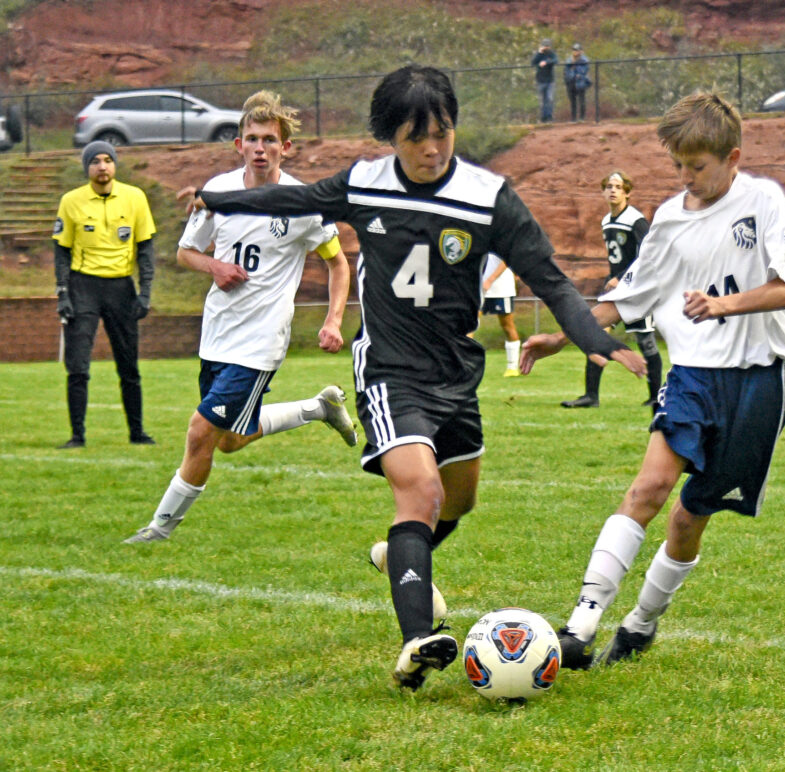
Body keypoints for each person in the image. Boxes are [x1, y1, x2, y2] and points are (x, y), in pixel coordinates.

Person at [186, 65, 645, 691]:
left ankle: (402, 554)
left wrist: (596, 340)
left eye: (444, 133)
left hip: (455, 371)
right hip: (389, 368)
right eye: (415, 137)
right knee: (421, 492)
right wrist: (219, 199)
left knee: (458, 501)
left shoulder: (489, 196)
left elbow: (551, 279)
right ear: (390, 137)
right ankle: (415, 642)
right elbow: (294, 199)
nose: (432, 149)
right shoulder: (365, 185)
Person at [521, 91, 785, 669]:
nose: (685, 177)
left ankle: (641, 624)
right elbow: (631, 295)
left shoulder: (764, 201)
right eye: (677, 164)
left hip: (759, 384)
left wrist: (723, 305)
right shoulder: (671, 218)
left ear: (732, 157)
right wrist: (563, 336)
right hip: (693, 376)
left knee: (688, 515)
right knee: (649, 489)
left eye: (696, 166)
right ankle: (579, 627)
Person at [123, 91, 357, 544]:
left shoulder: (301, 202)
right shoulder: (220, 191)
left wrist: (332, 320)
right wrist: (217, 266)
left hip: (262, 341)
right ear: (238, 145)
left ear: (285, 148)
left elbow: (338, 262)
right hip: (217, 333)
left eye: (270, 139)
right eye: (252, 138)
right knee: (228, 440)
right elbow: (186, 252)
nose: (260, 147)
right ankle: (317, 408)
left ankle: (159, 529)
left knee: (200, 431)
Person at [53, 140, 157, 449]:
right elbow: (61, 251)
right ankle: (77, 436)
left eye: (108, 160)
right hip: (82, 286)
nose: (102, 166)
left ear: (115, 165)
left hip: (121, 287)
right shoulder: (71, 201)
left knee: (129, 365)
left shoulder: (135, 198)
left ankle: (137, 433)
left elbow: (145, 249)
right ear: (87, 168)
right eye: (95, 161)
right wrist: (62, 294)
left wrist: (145, 293)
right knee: (78, 366)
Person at [562, 171, 662, 411]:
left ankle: (656, 396)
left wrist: (621, 277)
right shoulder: (606, 220)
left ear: (628, 191)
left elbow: (647, 254)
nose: (613, 190)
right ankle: (590, 395)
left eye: (618, 186)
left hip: (635, 287)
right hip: (614, 286)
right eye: (608, 186)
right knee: (593, 334)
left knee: (646, 341)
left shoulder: (636, 220)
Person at [478, 253, 522, 377]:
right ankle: (463, 365)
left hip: (501, 286)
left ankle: (512, 367)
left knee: (507, 325)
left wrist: (490, 279)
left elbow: (507, 259)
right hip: (479, 286)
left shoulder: (501, 236)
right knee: (471, 323)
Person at [564, 43, 592, 122]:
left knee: (581, 100)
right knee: (572, 101)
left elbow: (584, 70)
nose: (576, 52)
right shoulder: (569, 60)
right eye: (574, 50)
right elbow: (567, 71)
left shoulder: (584, 60)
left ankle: (582, 118)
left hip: (580, 82)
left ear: (581, 51)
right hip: (571, 82)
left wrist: (575, 67)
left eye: (578, 50)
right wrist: (569, 77)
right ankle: (573, 118)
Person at [532, 38, 558, 123]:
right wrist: (539, 53)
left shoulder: (551, 54)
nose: (546, 48)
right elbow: (533, 63)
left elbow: (556, 60)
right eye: (544, 46)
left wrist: (546, 62)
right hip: (540, 80)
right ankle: (543, 118)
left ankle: (549, 117)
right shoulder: (539, 55)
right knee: (542, 100)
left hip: (550, 81)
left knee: (549, 99)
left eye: (547, 46)